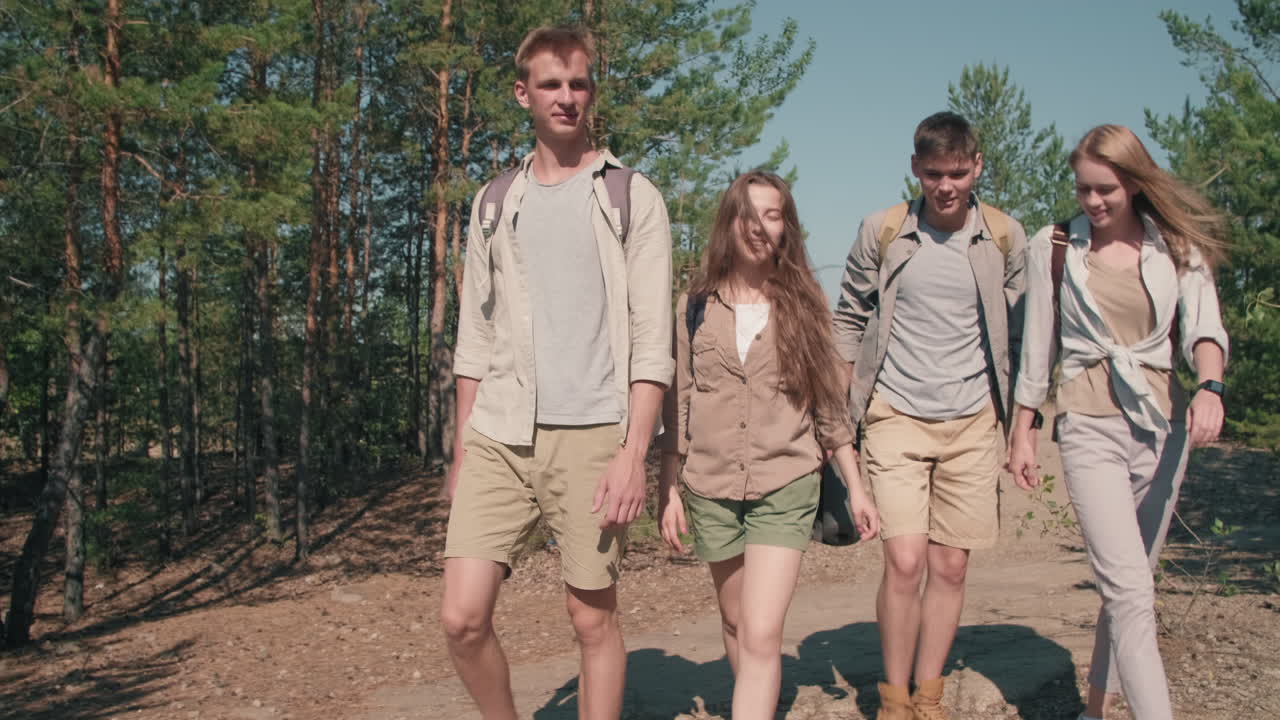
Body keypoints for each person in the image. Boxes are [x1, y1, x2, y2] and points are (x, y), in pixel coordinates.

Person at [439, 25, 673, 720]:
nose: (565, 97)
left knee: (590, 618)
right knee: (462, 619)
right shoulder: (492, 202)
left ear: (591, 92)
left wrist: (633, 453)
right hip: (499, 433)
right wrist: (461, 452)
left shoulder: (632, 196)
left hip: (593, 433)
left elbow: (652, 341)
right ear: (524, 94)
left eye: (577, 84)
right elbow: (475, 337)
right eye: (550, 84)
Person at [1007, 124, 1228, 720]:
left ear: (1133, 182)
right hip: (1087, 427)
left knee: (1128, 587)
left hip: (1163, 430)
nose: (1092, 201)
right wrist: (1023, 428)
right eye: (1083, 189)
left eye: (1104, 189)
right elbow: (1038, 346)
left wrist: (1211, 387)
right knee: (1130, 590)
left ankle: (1094, 711)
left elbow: (1205, 329)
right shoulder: (1055, 246)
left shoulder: (1176, 246)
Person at [657, 170, 879, 720]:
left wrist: (856, 487)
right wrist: (669, 489)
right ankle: (757, 697)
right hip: (710, 487)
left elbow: (827, 405)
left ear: (787, 227)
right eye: (748, 215)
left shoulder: (804, 303)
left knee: (760, 631)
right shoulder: (694, 305)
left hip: (786, 483)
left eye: (772, 215)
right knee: (736, 622)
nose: (758, 227)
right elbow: (679, 401)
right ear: (729, 224)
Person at [831, 111, 1027, 720]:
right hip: (895, 412)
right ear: (915, 167)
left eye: (958, 173)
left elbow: (1022, 337)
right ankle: (894, 700)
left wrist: (1023, 427)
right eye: (934, 173)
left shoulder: (1004, 237)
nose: (946, 186)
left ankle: (929, 695)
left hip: (973, 420)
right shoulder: (884, 231)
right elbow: (848, 318)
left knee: (950, 565)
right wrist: (839, 417)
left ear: (977, 167)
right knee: (905, 559)